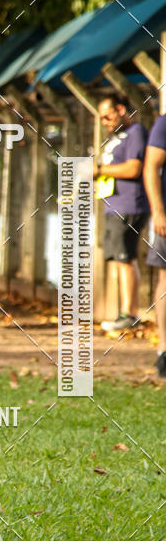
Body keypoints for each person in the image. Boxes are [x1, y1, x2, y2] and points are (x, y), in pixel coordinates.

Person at [94, 94, 149, 332]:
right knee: (118, 258)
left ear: (120, 108)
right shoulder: (115, 137)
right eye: (102, 119)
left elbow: (134, 167)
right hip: (113, 205)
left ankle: (130, 313)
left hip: (129, 205)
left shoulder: (136, 133)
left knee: (126, 259)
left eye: (108, 116)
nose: (105, 121)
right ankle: (123, 312)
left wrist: (99, 170)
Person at [142, 112, 166, 376]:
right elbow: (151, 166)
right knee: (165, 279)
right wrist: (158, 211)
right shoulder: (164, 123)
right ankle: (164, 350)